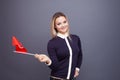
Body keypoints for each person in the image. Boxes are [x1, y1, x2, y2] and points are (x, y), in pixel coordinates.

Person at [34, 12, 82, 80]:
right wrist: (47, 60)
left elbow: (80, 55)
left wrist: (77, 68)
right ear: (55, 26)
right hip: (57, 78)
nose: (63, 25)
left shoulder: (76, 38)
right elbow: (55, 66)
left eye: (64, 22)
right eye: (59, 24)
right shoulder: (52, 43)